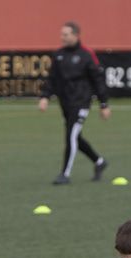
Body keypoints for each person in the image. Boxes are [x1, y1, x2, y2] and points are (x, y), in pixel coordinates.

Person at [38, 21, 110, 185]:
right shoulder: (58, 55)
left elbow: (98, 80)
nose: (62, 37)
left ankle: (65, 174)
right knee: (75, 137)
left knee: (71, 134)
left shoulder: (87, 54)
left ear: (75, 35)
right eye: (61, 34)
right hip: (65, 103)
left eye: (65, 34)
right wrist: (45, 97)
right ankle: (99, 162)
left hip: (81, 102)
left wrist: (104, 104)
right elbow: (52, 79)